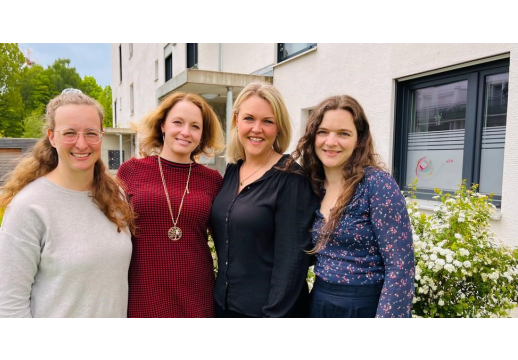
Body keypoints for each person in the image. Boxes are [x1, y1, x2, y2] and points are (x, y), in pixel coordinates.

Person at [0, 89, 135, 318]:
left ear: (101, 136)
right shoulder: (29, 207)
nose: (81, 143)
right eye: (69, 133)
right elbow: (9, 305)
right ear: (51, 136)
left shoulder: (116, 195)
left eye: (90, 133)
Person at [287, 94, 415, 318]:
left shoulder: (377, 184)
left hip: (364, 307)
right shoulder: (313, 185)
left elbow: (400, 267)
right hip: (318, 303)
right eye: (323, 132)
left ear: (359, 139)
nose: (331, 142)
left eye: (343, 134)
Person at [210, 82, 317, 318]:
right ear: (236, 121)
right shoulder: (231, 172)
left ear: (278, 127)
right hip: (223, 306)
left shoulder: (291, 179)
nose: (257, 129)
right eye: (249, 118)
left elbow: (292, 264)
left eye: (267, 121)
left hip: (269, 313)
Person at [117, 92, 225, 318]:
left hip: (196, 291)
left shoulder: (212, 179)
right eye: (178, 122)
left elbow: (225, 241)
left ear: (202, 134)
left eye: (195, 126)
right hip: (142, 290)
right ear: (163, 125)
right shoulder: (131, 171)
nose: (185, 132)